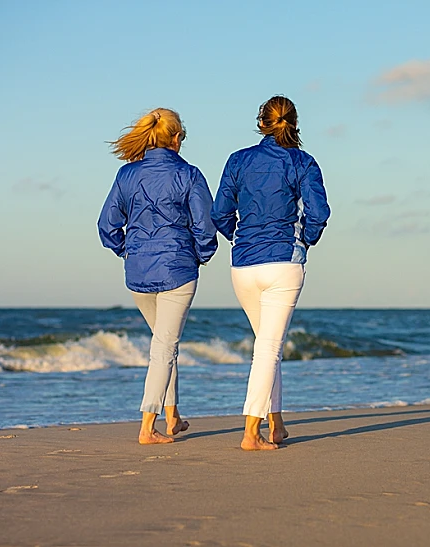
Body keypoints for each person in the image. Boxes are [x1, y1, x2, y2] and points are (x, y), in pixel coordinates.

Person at [211, 96, 331, 450]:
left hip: (244, 266)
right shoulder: (303, 162)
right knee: (268, 347)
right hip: (283, 262)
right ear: (294, 123)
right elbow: (319, 213)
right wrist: (304, 241)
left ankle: (276, 423)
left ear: (261, 122)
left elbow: (220, 213)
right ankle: (251, 432)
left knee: (268, 344)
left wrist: (241, 237)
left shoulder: (238, 160)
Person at [98, 108, 218, 444]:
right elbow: (205, 226)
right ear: (177, 138)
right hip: (178, 269)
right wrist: (202, 256)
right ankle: (147, 427)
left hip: (138, 272)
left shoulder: (126, 175)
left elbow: (106, 226)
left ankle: (173, 417)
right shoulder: (190, 175)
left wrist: (127, 250)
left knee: (165, 341)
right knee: (164, 346)